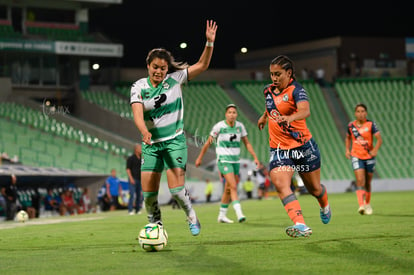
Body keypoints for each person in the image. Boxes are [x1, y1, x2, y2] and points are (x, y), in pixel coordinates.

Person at [130, 20, 217, 236]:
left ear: (167, 68)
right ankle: (156, 224)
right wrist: (144, 131)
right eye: (155, 67)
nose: (158, 71)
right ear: (148, 65)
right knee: (148, 195)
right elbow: (138, 115)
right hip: (151, 145)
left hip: (174, 142)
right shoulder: (138, 87)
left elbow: (202, 65)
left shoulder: (175, 80)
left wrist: (209, 43)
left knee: (177, 190)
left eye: (162, 68)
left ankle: (191, 215)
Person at [257, 55, 331, 238]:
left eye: (278, 74)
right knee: (280, 183)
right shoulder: (268, 91)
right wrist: (264, 117)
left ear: (289, 73)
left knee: (315, 189)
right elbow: (271, 107)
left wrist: (290, 118)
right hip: (280, 148)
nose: (274, 78)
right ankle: (300, 224)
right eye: (272, 74)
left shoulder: (297, 90)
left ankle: (324, 204)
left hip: (303, 147)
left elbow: (305, 110)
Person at [196, 104, 260, 223]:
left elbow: (247, 143)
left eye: (234, 112)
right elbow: (208, 143)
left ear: (236, 114)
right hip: (223, 160)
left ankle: (221, 215)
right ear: (226, 114)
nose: (232, 115)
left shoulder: (240, 126)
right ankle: (239, 213)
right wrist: (200, 157)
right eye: (229, 112)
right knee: (233, 186)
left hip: (235, 161)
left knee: (228, 189)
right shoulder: (219, 126)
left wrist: (255, 157)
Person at [345, 103, 382, 215]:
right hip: (356, 155)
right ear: (355, 113)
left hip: (369, 156)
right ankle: (361, 205)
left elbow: (379, 139)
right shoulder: (351, 126)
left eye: (362, 111)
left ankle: (367, 203)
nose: (360, 114)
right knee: (360, 180)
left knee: (368, 182)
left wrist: (375, 150)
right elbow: (347, 138)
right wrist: (347, 150)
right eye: (358, 111)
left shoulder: (371, 124)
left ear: (366, 113)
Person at [126, 144, 143, 215]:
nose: (141, 149)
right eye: (140, 148)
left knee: (139, 195)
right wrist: (131, 178)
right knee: (132, 195)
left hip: (140, 179)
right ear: (136, 149)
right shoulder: (131, 158)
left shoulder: (142, 159)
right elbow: (128, 169)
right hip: (133, 179)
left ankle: (137, 209)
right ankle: (130, 210)